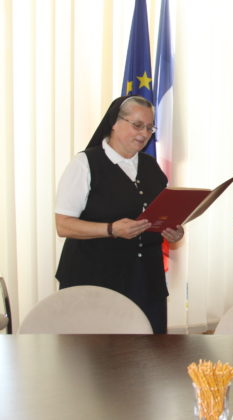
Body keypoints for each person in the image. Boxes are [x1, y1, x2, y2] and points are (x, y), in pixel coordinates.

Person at [55, 95, 184, 334]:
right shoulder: (85, 164)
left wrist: (174, 231)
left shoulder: (151, 166)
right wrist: (111, 229)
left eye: (149, 128)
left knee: (149, 352)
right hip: (95, 280)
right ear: (114, 122)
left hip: (147, 281)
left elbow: (162, 214)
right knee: (96, 354)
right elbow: (63, 225)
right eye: (137, 125)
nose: (144, 133)